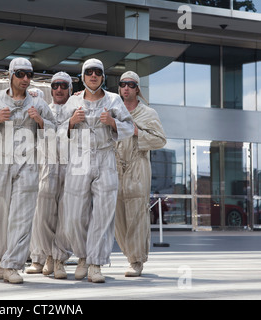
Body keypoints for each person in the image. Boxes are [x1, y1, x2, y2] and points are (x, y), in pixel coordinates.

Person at [0, 57, 55, 284]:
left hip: (27, 164)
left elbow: (56, 132)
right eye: (20, 74)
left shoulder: (38, 103)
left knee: (23, 215)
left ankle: (13, 265)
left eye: (29, 74)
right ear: (10, 75)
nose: (25, 79)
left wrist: (41, 122)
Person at [58, 58, 134, 283]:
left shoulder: (114, 100)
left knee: (104, 212)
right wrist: (71, 122)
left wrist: (112, 122)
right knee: (73, 214)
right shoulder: (72, 101)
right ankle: (82, 257)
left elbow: (129, 127)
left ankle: (96, 264)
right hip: (79, 156)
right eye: (89, 72)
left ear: (103, 76)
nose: (93, 75)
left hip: (105, 156)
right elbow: (56, 131)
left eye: (98, 72)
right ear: (83, 76)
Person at [114, 71, 167, 277]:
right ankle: (130, 254)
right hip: (115, 167)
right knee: (118, 216)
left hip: (138, 166)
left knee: (137, 214)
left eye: (130, 84)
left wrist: (138, 132)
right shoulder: (113, 111)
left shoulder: (148, 113)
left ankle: (136, 261)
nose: (126, 87)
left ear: (137, 88)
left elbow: (161, 140)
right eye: (122, 84)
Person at [26, 72, 73, 279]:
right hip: (46, 166)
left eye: (63, 85)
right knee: (42, 214)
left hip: (71, 168)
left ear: (70, 89)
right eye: (55, 86)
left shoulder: (77, 108)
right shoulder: (44, 108)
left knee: (65, 216)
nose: (59, 89)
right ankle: (42, 257)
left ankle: (60, 259)